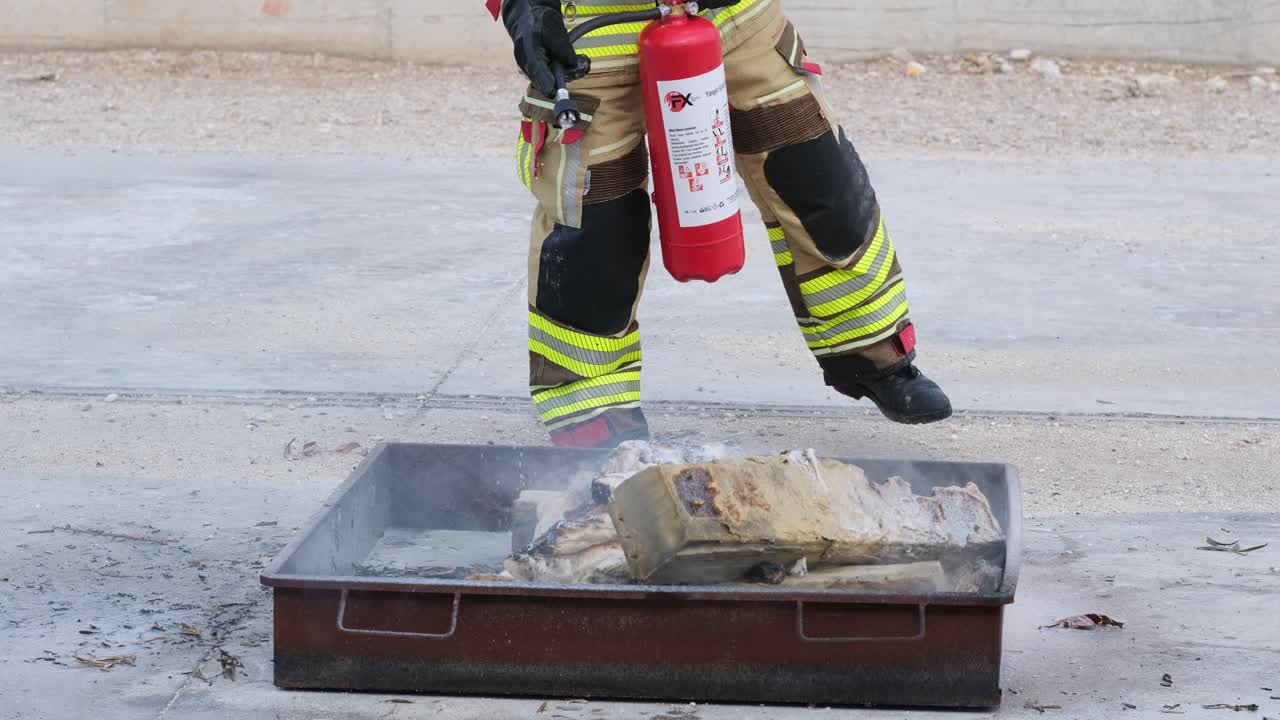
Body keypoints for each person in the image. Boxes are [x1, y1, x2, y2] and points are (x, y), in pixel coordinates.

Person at [487, 0, 953, 448]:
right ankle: (590, 407)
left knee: (817, 177)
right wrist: (524, 7)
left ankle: (874, 353)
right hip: (589, 33)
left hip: (733, 18)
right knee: (595, 227)